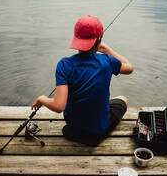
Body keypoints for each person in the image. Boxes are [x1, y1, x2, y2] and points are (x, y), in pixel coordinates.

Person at [31, 15, 133, 146]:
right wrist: (107, 49)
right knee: (123, 99)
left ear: (76, 39)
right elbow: (129, 68)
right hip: (98, 131)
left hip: (73, 127)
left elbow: (58, 107)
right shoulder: (107, 61)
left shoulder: (64, 65)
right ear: (99, 40)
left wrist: (42, 99)